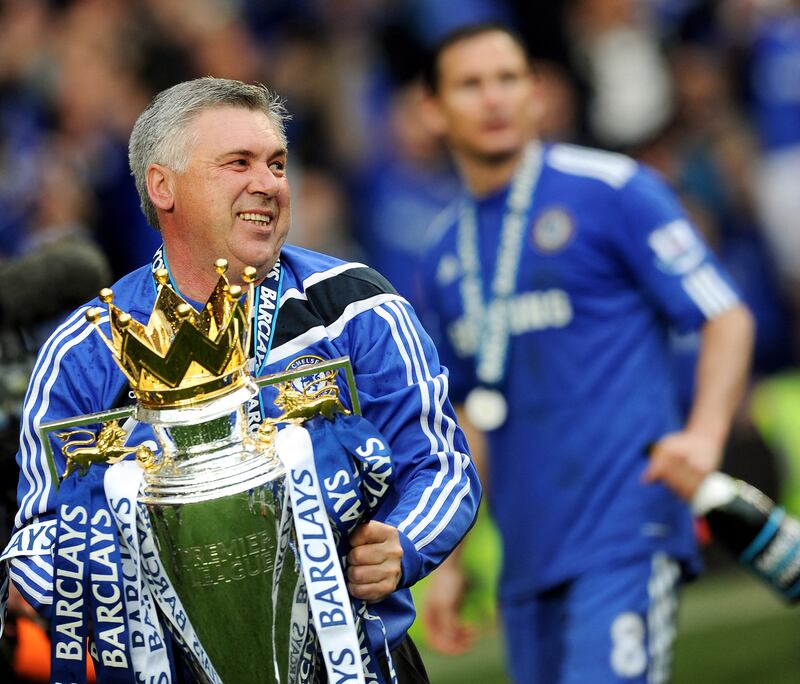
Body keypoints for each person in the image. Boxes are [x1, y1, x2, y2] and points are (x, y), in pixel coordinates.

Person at [2, 77, 481, 683]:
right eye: (239, 163)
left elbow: (440, 464)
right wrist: (78, 578)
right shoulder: (85, 350)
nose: (269, 183)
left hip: (358, 664)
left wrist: (402, 543)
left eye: (277, 164)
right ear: (163, 186)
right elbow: (43, 532)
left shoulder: (358, 308)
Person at [417, 23, 754, 684]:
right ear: (433, 109)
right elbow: (468, 414)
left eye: (509, 79)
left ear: (537, 93)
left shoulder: (614, 189)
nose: (494, 99)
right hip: (528, 557)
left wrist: (706, 435)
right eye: (471, 84)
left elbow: (726, 315)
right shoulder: (440, 251)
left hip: (628, 529)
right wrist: (450, 557)